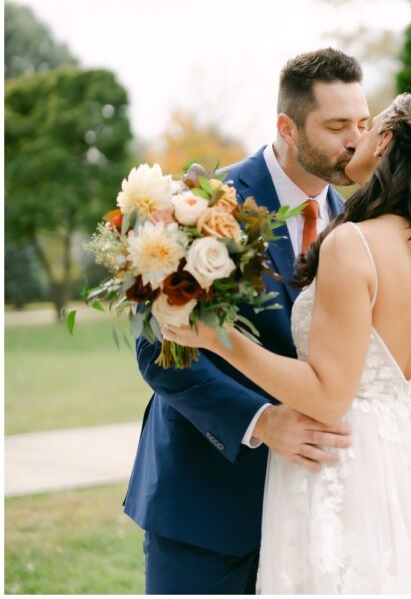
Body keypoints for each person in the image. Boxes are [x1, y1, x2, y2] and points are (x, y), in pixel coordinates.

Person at [161, 92, 411, 593]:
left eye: (369, 128)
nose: (356, 140)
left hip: (335, 469)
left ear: (386, 141)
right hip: (407, 473)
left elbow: (329, 397)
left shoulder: (354, 242)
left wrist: (218, 341)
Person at [125, 48, 367, 594]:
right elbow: (157, 352)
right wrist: (261, 421)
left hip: (320, 511)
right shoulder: (200, 204)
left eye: (362, 123)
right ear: (286, 126)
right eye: (336, 126)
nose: (354, 140)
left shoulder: (363, 221)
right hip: (207, 504)